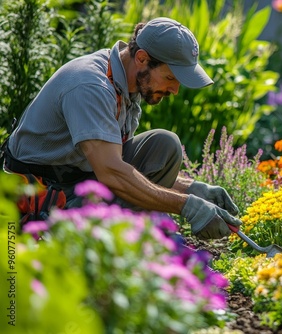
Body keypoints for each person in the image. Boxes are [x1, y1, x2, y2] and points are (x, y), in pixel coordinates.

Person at [2, 17, 242, 240]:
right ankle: (86, 249)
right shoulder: (90, 86)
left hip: (78, 180)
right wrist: (186, 205)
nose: (174, 90)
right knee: (155, 152)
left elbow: (120, 166)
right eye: (170, 78)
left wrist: (194, 190)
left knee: (163, 147)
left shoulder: (126, 84)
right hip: (42, 198)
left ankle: (122, 241)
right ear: (142, 58)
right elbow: (112, 172)